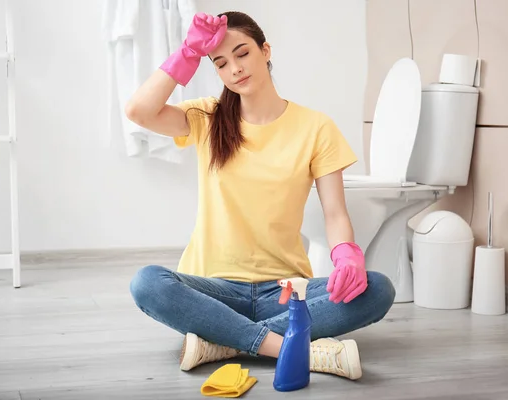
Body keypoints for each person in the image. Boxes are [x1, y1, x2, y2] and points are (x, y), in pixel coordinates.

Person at [126, 11, 395, 381]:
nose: (235, 68)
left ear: (265, 50)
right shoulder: (206, 117)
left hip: (286, 289)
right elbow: (138, 111)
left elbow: (334, 213)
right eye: (221, 63)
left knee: (378, 288)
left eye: (242, 53)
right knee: (147, 283)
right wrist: (188, 52)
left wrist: (346, 255)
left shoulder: (315, 127)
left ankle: (223, 339)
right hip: (213, 286)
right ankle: (288, 345)